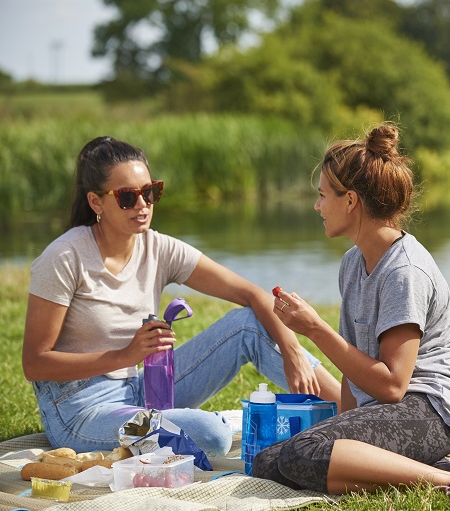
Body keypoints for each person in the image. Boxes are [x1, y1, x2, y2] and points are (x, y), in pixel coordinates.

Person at [252, 123, 450, 508]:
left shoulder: (404, 272)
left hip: (431, 412)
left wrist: (315, 330)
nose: (317, 206)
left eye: (322, 196)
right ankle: (441, 466)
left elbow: (394, 385)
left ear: (350, 201)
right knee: (268, 462)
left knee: (302, 452)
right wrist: (339, 426)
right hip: (388, 412)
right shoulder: (352, 263)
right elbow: (352, 369)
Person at [22, 136, 341, 458]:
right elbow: (34, 364)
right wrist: (125, 356)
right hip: (81, 410)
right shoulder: (64, 257)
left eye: (150, 192)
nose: (143, 205)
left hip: (141, 389)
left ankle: (353, 413)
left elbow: (252, 294)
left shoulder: (157, 247)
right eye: (127, 197)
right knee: (211, 435)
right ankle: (215, 422)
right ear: (96, 202)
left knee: (247, 325)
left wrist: (292, 353)